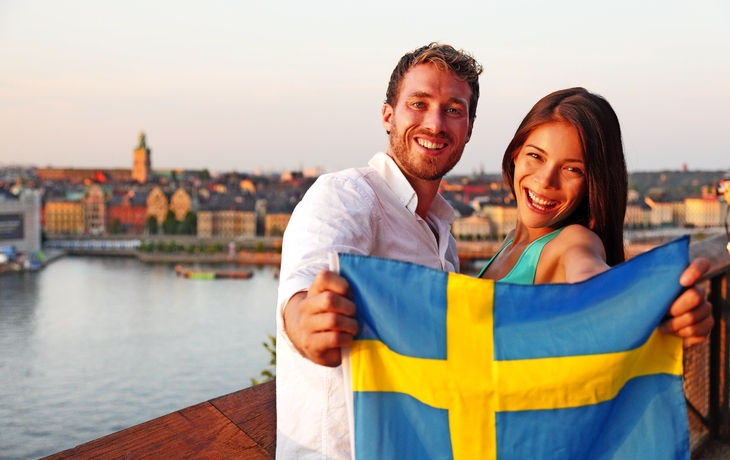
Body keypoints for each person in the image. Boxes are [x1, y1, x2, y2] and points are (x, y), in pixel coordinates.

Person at [276, 44, 714, 460]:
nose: (435, 123)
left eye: (453, 110)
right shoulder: (348, 196)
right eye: (419, 103)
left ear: (468, 128)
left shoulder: (566, 240)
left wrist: (644, 303)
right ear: (388, 114)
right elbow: (303, 284)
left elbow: (589, 276)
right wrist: (306, 320)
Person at [478, 87, 627, 284]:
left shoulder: (573, 241)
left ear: (592, 184)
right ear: (516, 153)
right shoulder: (510, 241)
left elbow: (589, 272)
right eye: (536, 156)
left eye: (572, 169)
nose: (546, 180)